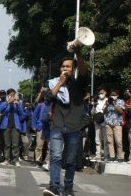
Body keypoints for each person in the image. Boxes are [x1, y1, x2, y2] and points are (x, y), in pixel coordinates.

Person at [43, 49, 88, 196]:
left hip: (74, 127)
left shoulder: (79, 83)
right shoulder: (55, 83)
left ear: (73, 68)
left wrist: (78, 53)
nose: (65, 69)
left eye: (68, 66)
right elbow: (48, 99)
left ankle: (68, 188)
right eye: (63, 66)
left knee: (70, 160)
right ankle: (54, 187)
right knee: (55, 156)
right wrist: (60, 83)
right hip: (57, 126)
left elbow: (83, 71)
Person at [0, 88, 26, 166]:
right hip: (6, 126)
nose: (12, 96)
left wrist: (18, 105)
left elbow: (22, 114)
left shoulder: (18, 104)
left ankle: (15, 160)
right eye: (11, 94)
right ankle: (7, 160)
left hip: (15, 126)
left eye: (13, 94)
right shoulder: (4, 103)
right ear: (8, 95)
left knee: (15, 144)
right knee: (7, 144)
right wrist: (8, 103)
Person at [104, 89, 125, 162]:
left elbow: (121, 111)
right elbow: (104, 112)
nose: (113, 96)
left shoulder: (121, 101)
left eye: (114, 95)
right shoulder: (107, 101)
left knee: (118, 141)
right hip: (108, 123)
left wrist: (114, 104)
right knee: (110, 141)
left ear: (117, 95)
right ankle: (112, 156)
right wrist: (107, 106)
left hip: (117, 123)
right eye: (112, 95)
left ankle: (120, 157)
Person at [91, 88, 108, 161]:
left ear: (105, 93)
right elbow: (92, 113)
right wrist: (94, 106)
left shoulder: (108, 101)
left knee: (105, 139)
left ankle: (106, 155)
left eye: (102, 93)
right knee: (97, 139)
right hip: (97, 122)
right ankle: (98, 154)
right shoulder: (96, 102)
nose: (100, 95)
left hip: (105, 122)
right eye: (99, 93)